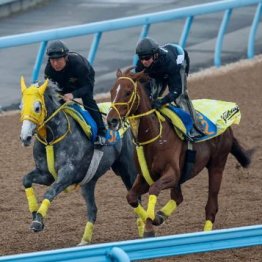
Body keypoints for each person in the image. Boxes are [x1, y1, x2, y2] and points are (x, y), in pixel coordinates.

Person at [135, 37, 205, 138]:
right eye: (141, 58)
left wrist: (163, 101)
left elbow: (176, 90)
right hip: (158, 71)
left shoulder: (170, 62)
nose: (144, 61)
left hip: (178, 61)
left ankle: (195, 128)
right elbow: (144, 89)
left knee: (180, 98)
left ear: (155, 55)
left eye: (147, 58)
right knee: (149, 99)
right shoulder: (140, 66)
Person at [44, 40, 107, 145]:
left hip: (83, 80)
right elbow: (51, 91)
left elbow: (87, 87)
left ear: (65, 57)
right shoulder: (49, 70)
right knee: (55, 104)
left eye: (58, 60)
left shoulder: (79, 65)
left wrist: (73, 95)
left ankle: (101, 132)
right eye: (52, 60)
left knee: (88, 101)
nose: (55, 64)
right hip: (64, 82)